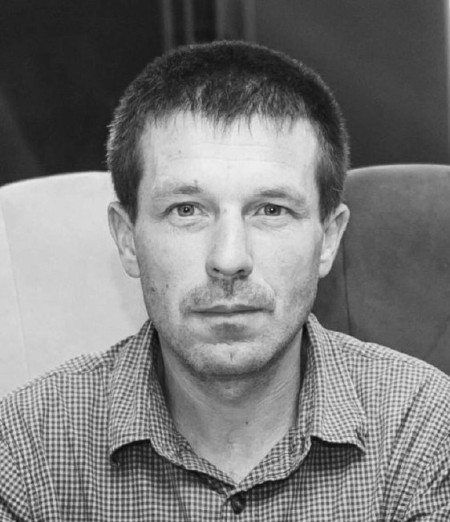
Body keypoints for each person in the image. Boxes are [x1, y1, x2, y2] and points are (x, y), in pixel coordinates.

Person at [1, 40, 449, 521]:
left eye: (271, 210)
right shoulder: (30, 450)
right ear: (128, 239)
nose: (229, 259)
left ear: (328, 239)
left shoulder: (424, 429)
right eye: (186, 210)